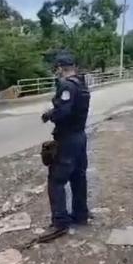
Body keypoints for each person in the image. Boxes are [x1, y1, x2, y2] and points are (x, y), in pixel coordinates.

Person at [40, 52, 91, 239]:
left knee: (56, 180)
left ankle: (60, 222)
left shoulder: (66, 85)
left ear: (60, 68)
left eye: (57, 69)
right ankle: (80, 215)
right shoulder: (81, 83)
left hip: (68, 138)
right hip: (80, 136)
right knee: (78, 177)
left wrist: (49, 114)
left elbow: (63, 111)